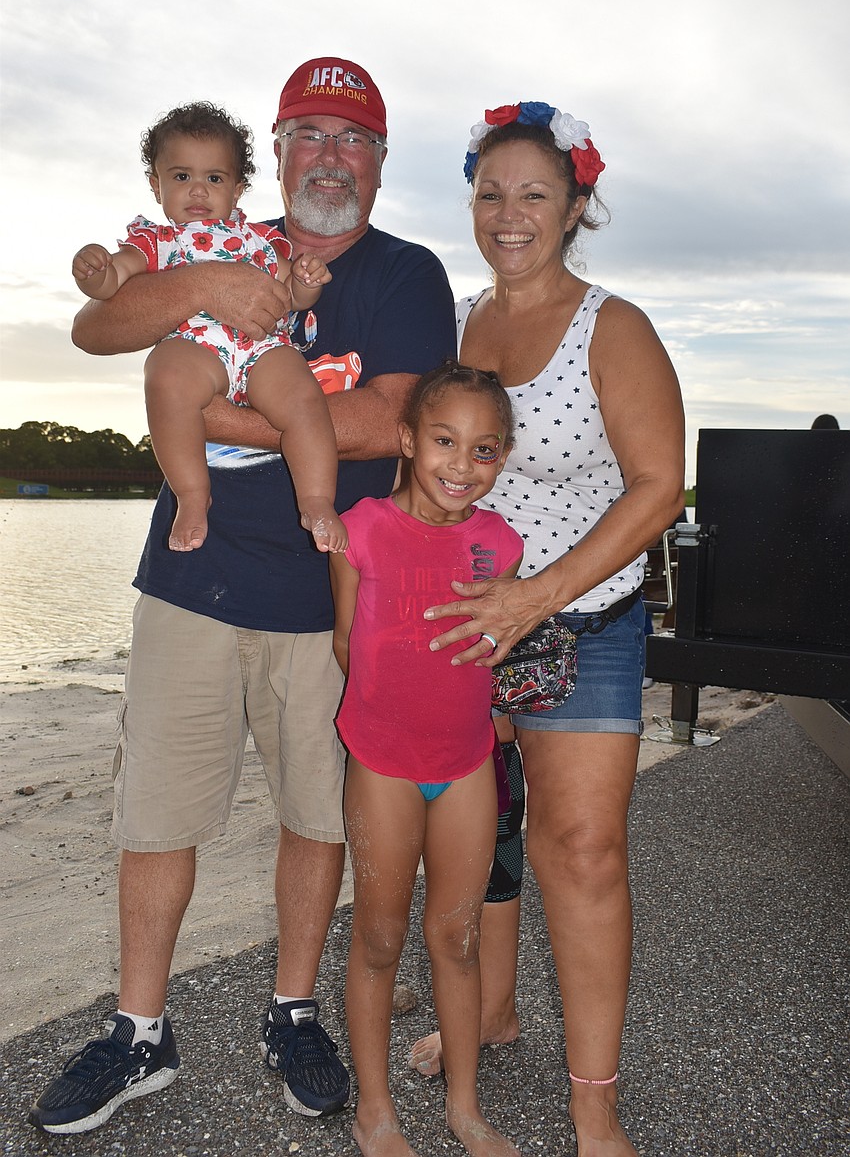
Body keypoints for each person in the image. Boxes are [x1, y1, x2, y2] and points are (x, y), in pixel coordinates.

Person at [29, 57, 456, 1136]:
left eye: (352, 138)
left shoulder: (407, 274)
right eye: (309, 133)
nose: (329, 157)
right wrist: (206, 289)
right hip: (192, 579)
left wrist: (216, 420)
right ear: (275, 151)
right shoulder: (217, 232)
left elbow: (389, 421)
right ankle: (139, 1030)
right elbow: (96, 328)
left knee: (316, 815)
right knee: (158, 813)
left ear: (379, 160)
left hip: (329, 599)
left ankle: (292, 1012)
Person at [408, 101, 685, 1157]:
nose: (508, 213)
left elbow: (658, 488)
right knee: (477, 838)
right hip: (465, 628)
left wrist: (539, 594)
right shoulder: (458, 324)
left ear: (575, 206)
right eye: (490, 193)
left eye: (533, 193)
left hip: (586, 625)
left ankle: (593, 1102)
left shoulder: (614, 327)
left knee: (584, 853)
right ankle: (491, 1011)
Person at [331, 362, 523, 1157]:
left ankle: (464, 1108)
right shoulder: (362, 528)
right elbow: (346, 643)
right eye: (445, 441)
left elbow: (495, 643)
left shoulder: (500, 544)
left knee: (458, 939)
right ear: (408, 440)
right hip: (383, 764)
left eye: (484, 450)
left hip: (467, 765)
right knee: (379, 939)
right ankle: (375, 1111)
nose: (461, 465)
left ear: (502, 457)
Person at [72, 100, 346, 556]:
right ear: (156, 185)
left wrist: (305, 281)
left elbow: (293, 297)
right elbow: (112, 282)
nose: (198, 189)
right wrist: (94, 272)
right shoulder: (156, 242)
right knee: (166, 375)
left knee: (304, 398)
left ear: (237, 190)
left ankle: (316, 500)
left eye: (214, 178)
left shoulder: (261, 239)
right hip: (196, 347)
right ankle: (192, 496)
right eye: (182, 176)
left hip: (263, 348)